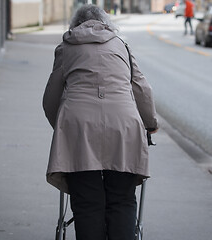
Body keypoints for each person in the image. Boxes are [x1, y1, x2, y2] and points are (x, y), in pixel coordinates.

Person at [42, 4, 158, 240]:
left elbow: (50, 98)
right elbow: (141, 89)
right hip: (123, 126)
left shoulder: (66, 48)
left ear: (75, 25)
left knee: (86, 201)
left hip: (79, 127)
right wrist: (151, 122)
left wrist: (61, 127)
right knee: (122, 198)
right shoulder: (121, 45)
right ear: (106, 22)